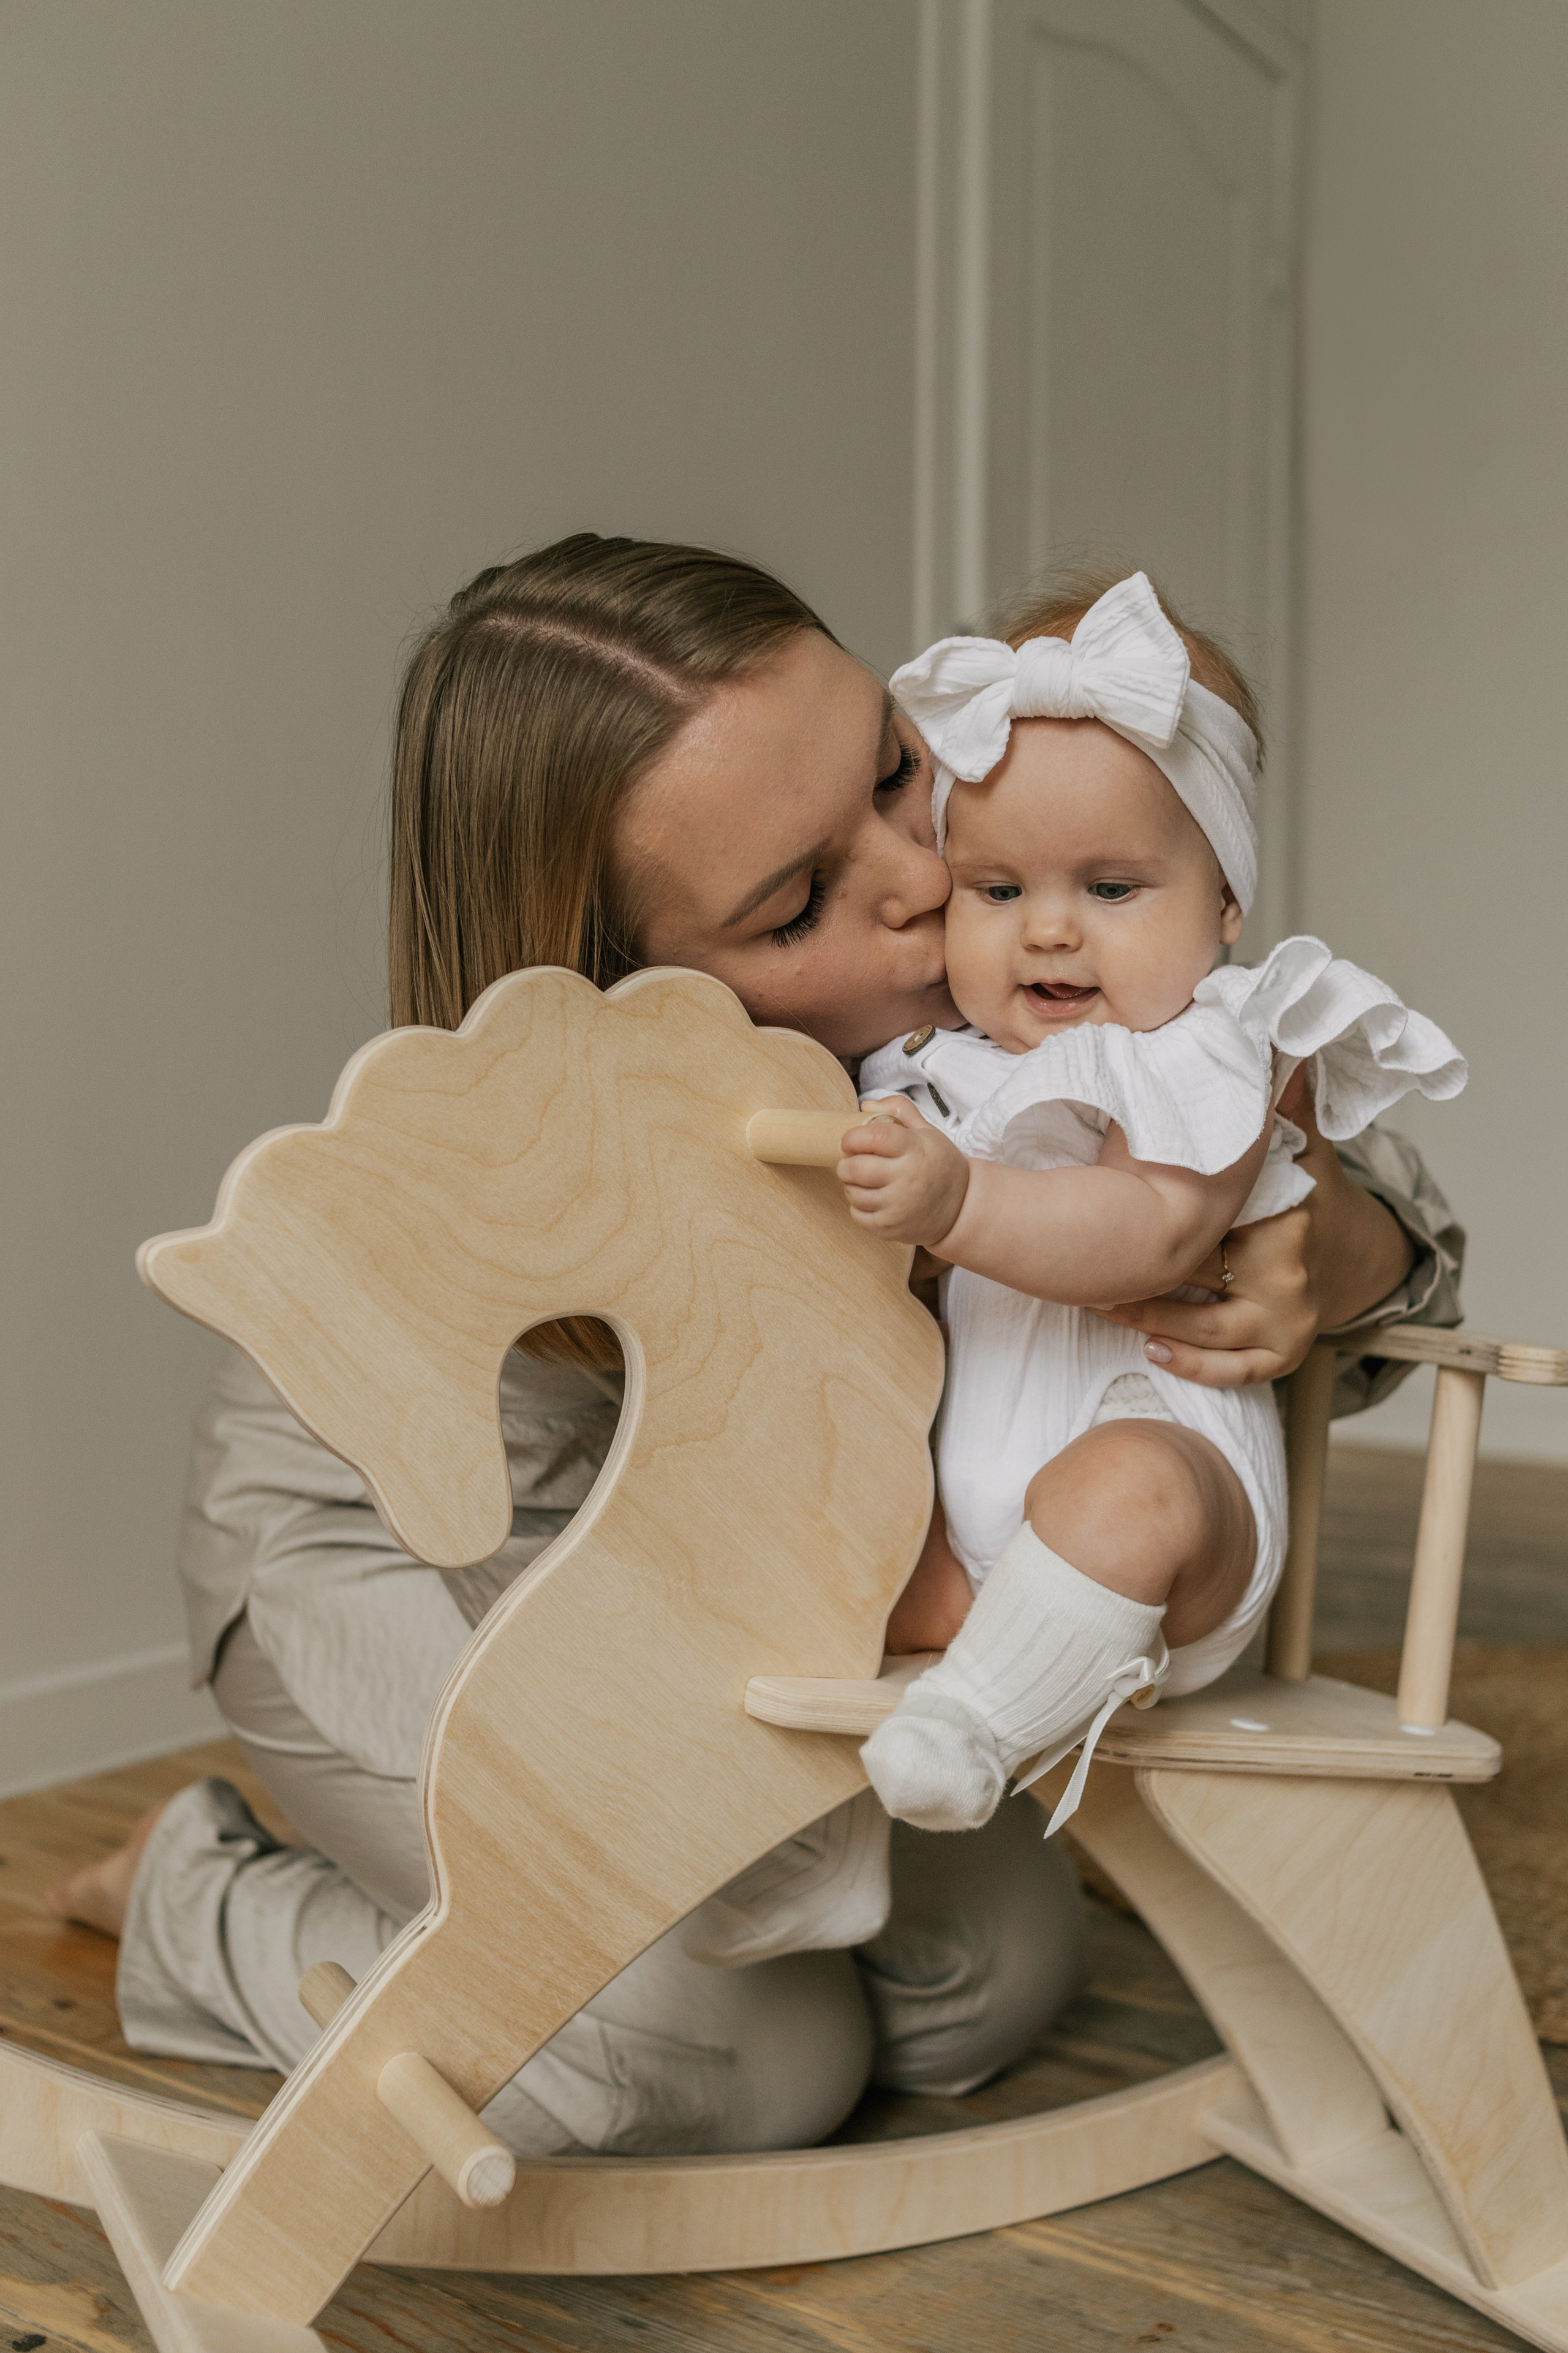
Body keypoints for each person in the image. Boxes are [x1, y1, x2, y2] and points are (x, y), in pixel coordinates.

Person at [48, 535, 1464, 2158]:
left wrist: (1339, 1246)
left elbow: (1245, 1084)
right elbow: (562, 1570)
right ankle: (191, 1893)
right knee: (736, 2056)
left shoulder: (995, 957)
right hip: (423, 1559)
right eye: (800, 900)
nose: (924, 877)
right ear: (636, 986)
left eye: (893, 769)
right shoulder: (632, 1122)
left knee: (982, 1982)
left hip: (765, 1583)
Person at [839, 572, 1463, 1836]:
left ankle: (972, 1723)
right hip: (966, 1532)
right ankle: (792, 1831)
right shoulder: (934, 1065)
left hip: (1176, 1513)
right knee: (823, 1559)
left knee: (1129, 1492)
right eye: (999, 890)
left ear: (1224, 905)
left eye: (1112, 889)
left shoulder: (1206, 1054)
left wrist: (955, 1203)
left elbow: (1150, 1234)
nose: (1050, 933)